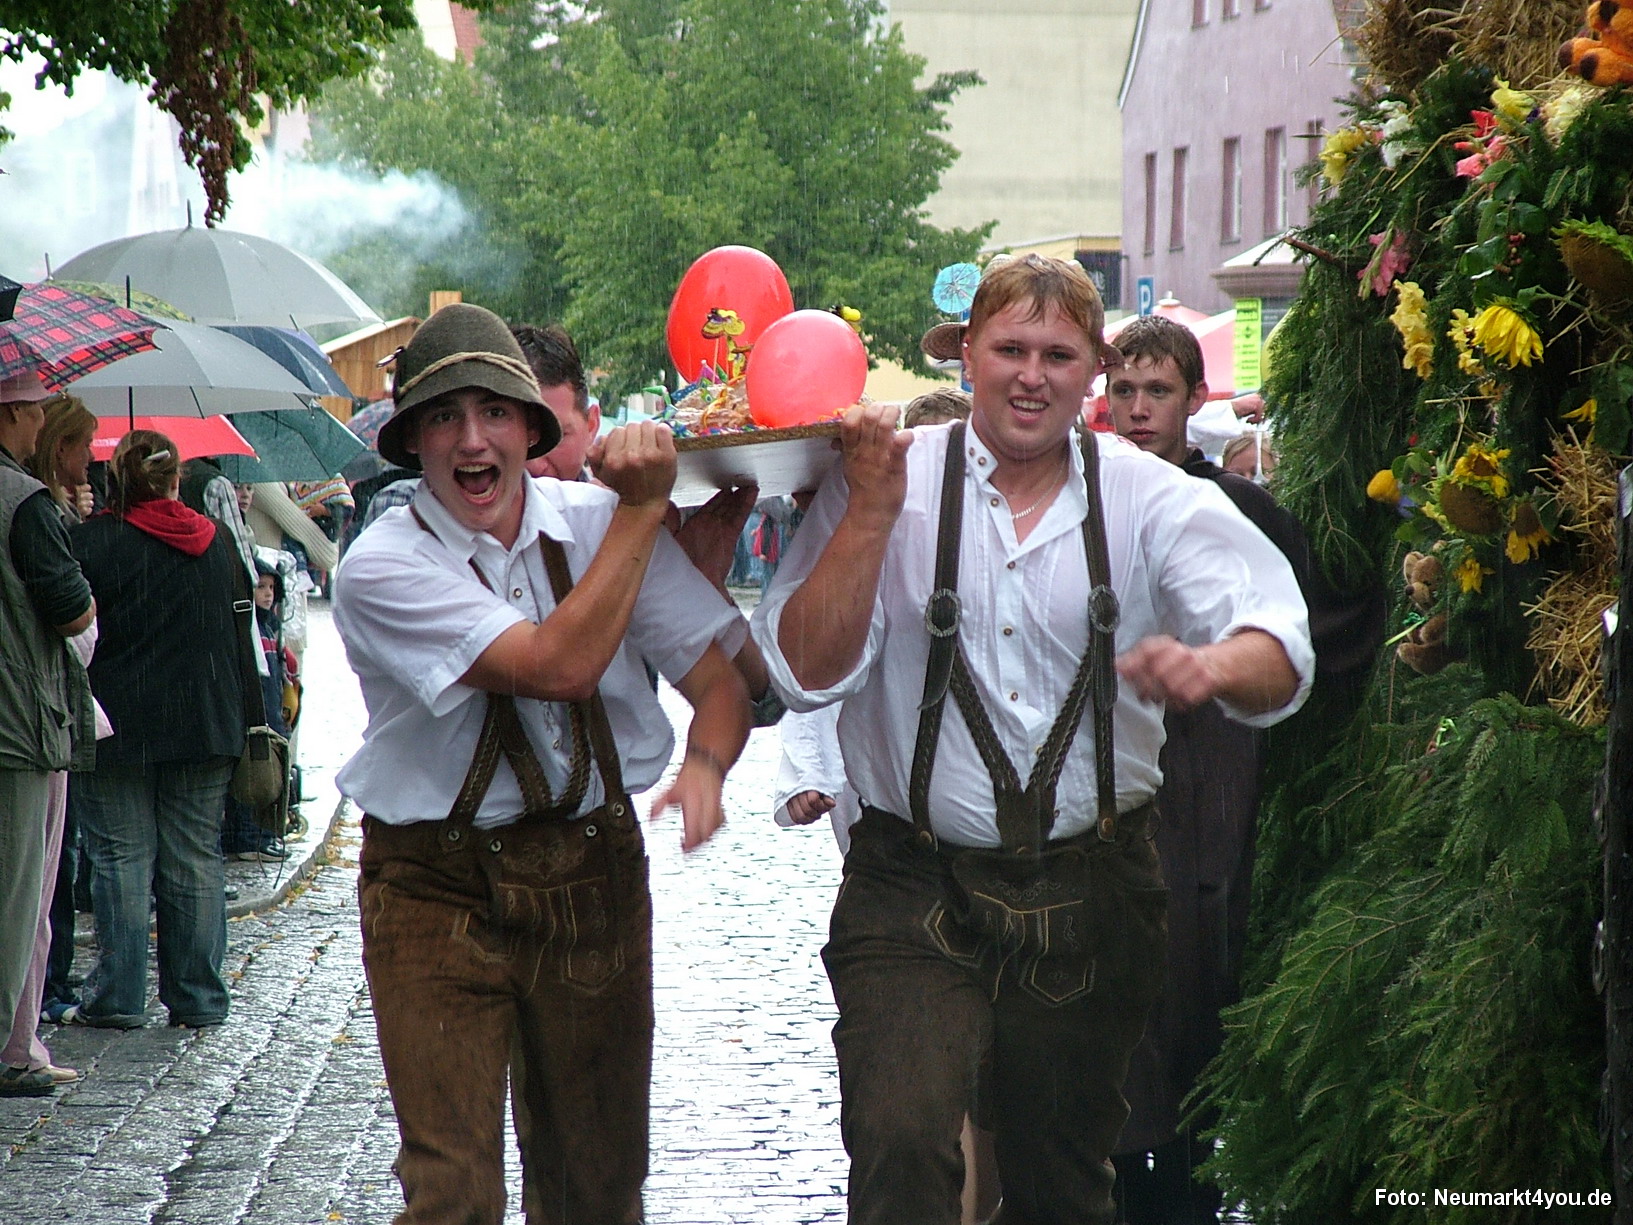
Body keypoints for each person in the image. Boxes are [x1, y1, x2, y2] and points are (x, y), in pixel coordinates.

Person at [749, 254, 1313, 1224]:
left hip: (1090, 888)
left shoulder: (1149, 496)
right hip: (909, 881)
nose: (1030, 375)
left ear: (1092, 368)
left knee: (1061, 1181)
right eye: (1010, 349)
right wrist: (870, 514)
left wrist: (1216, 665)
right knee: (898, 1143)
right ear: (967, 354)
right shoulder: (884, 478)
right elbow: (802, 671)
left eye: (1057, 355)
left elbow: (1280, 643)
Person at [332, 302, 751, 1223]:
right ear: (414, 441)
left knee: (596, 1185)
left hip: (592, 872)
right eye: (444, 416)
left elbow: (722, 683)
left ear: (531, 429)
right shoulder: (380, 567)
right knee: (452, 1190)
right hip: (433, 886)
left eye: (494, 411)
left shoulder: (597, 520)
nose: (471, 439)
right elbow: (557, 666)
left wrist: (706, 765)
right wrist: (641, 511)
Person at [69, 430, 246, 1029]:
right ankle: (198, 997)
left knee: (121, 859)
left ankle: (118, 998)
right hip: (204, 721)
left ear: (115, 478)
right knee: (193, 858)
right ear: (176, 480)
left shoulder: (91, 543)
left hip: (118, 725)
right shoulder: (215, 543)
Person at [0, 373, 96, 1096]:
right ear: (10, 414)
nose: (39, 425)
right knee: (18, 895)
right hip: (19, 724)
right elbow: (72, 611)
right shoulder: (24, 502)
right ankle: (9, 1048)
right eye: (34, 413)